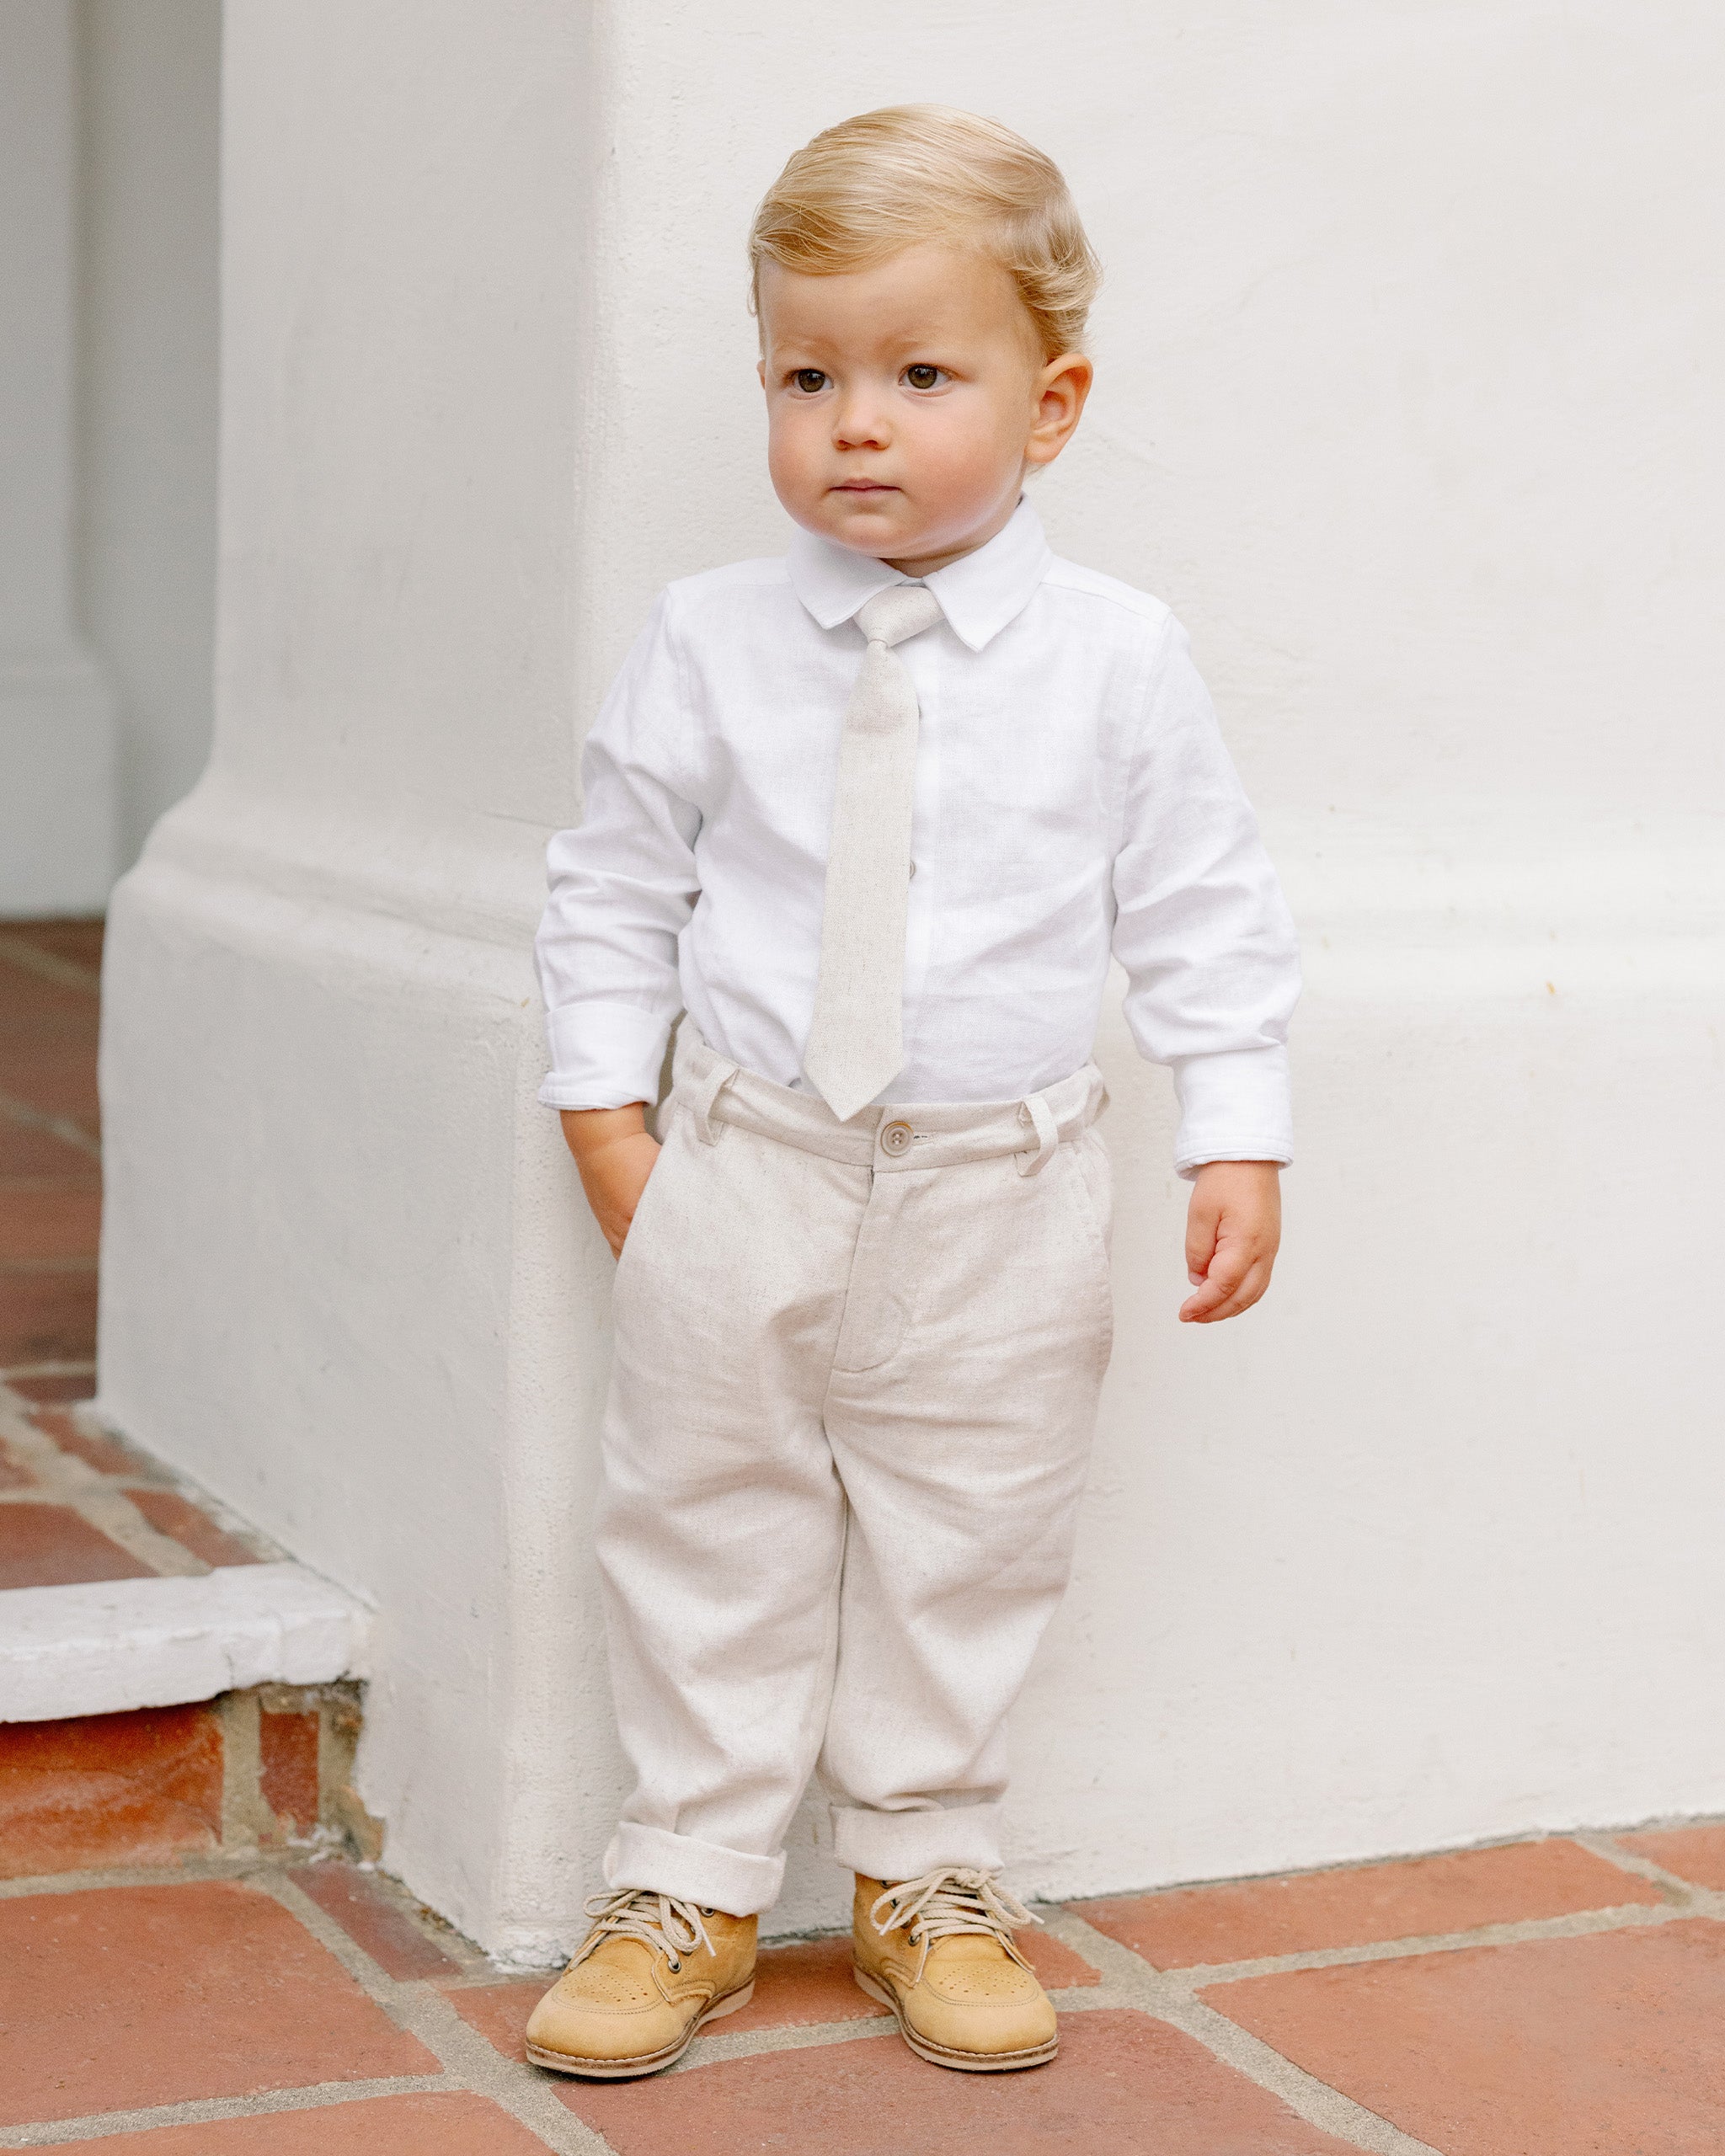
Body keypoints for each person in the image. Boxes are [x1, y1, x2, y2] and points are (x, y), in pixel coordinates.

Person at [526, 104, 1299, 2080]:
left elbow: (1201, 899)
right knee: (702, 1504)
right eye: (807, 375)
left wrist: (1238, 1118)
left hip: (1003, 1179)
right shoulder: (707, 637)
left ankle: (926, 1863)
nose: (852, 422)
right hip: (749, 1154)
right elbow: (615, 876)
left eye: (919, 374)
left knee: (976, 1516)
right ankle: (688, 1871)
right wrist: (609, 1114)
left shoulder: (1118, 660)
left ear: (1051, 405)